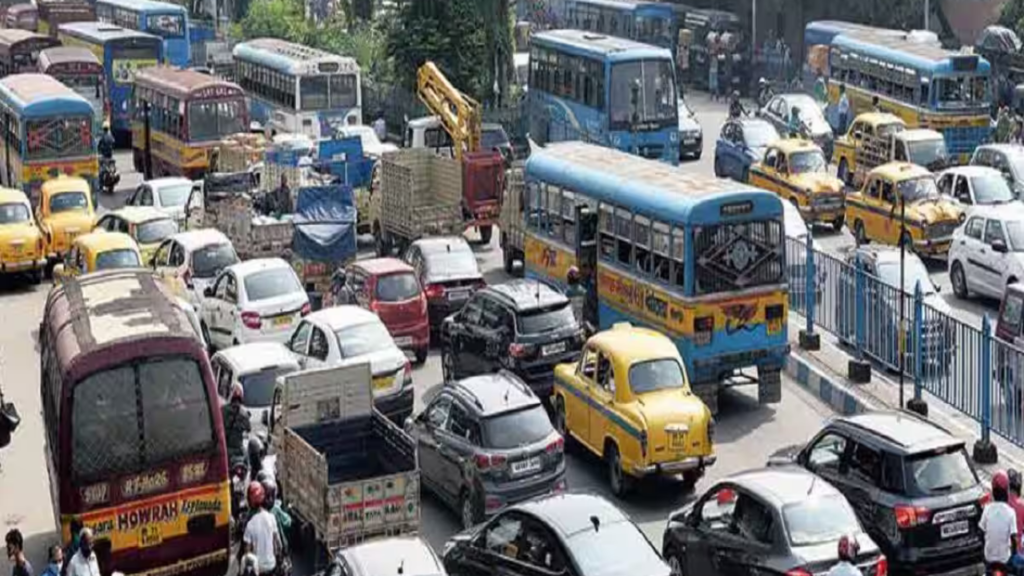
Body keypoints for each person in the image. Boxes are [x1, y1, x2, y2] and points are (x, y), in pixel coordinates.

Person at [980, 471, 1019, 575]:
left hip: (989, 558)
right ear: (1006, 491)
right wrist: (1014, 554)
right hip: (1004, 560)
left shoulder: (987, 509)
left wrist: (984, 549)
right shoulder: (1010, 512)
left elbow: (981, 532)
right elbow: (1014, 538)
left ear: (993, 491)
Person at [243, 482, 280, 576]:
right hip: (272, 566)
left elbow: (248, 554)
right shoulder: (272, 518)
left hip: (258, 569)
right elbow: (277, 545)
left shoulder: (250, 525)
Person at [222, 383, 251, 462]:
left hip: (224, 450)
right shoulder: (244, 413)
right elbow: (248, 429)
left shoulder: (222, 410)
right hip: (238, 451)